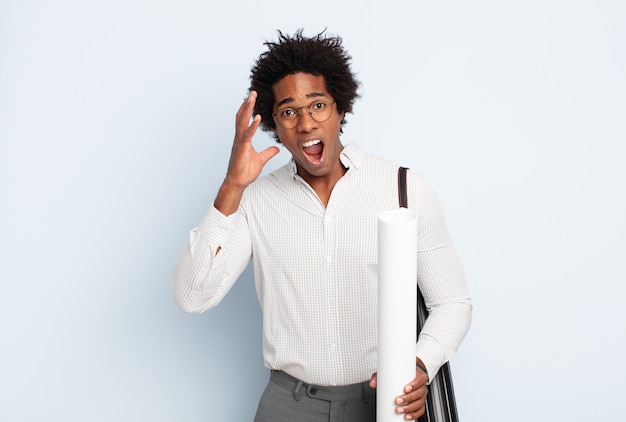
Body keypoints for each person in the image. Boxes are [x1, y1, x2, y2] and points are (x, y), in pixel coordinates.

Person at [173, 29, 472, 421]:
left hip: (383, 404)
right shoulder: (255, 200)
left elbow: (452, 302)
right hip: (288, 406)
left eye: (318, 105)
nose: (306, 123)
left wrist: (420, 365)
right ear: (275, 127)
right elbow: (192, 297)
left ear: (340, 108)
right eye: (289, 111)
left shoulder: (404, 188)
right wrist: (231, 186)